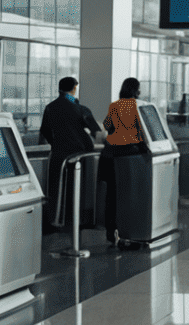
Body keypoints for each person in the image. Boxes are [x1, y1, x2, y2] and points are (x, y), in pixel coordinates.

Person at [39, 76, 101, 232]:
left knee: (56, 187)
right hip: (79, 155)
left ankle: (56, 219)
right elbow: (96, 130)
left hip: (58, 153)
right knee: (77, 188)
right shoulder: (80, 108)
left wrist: (55, 143)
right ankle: (77, 221)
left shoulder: (50, 107)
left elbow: (45, 130)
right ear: (74, 88)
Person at [99, 77, 146, 246]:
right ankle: (129, 229)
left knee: (111, 195)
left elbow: (107, 126)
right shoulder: (137, 106)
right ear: (136, 90)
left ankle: (111, 232)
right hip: (129, 157)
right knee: (130, 195)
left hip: (110, 155)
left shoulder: (114, 105)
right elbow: (142, 131)